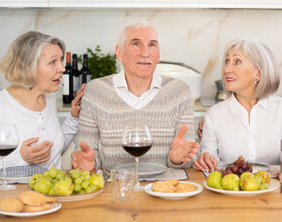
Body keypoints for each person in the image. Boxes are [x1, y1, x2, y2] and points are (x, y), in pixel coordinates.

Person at [71, 21, 199, 171]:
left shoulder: (179, 91)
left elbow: (189, 157)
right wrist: (90, 163)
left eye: (152, 45)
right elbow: (86, 152)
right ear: (119, 53)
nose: (145, 53)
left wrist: (177, 160)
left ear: (158, 55)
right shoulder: (96, 91)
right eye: (136, 44)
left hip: (163, 188)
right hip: (116, 189)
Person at [192, 38, 282, 172]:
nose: (226, 69)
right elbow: (208, 160)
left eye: (236, 62)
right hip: (231, 189)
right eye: (227, 62)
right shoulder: (214, 115)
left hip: (276, 189)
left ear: (258, 73)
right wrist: (205, 160)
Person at [0, 31, 85, 171]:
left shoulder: (49, 97)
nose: (62, 68)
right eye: (52, 62)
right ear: (28, 67)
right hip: (17, 193)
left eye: (61, 59)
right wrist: (20, 159)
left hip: (55, 191)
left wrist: (73, 118)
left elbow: (53, 151)